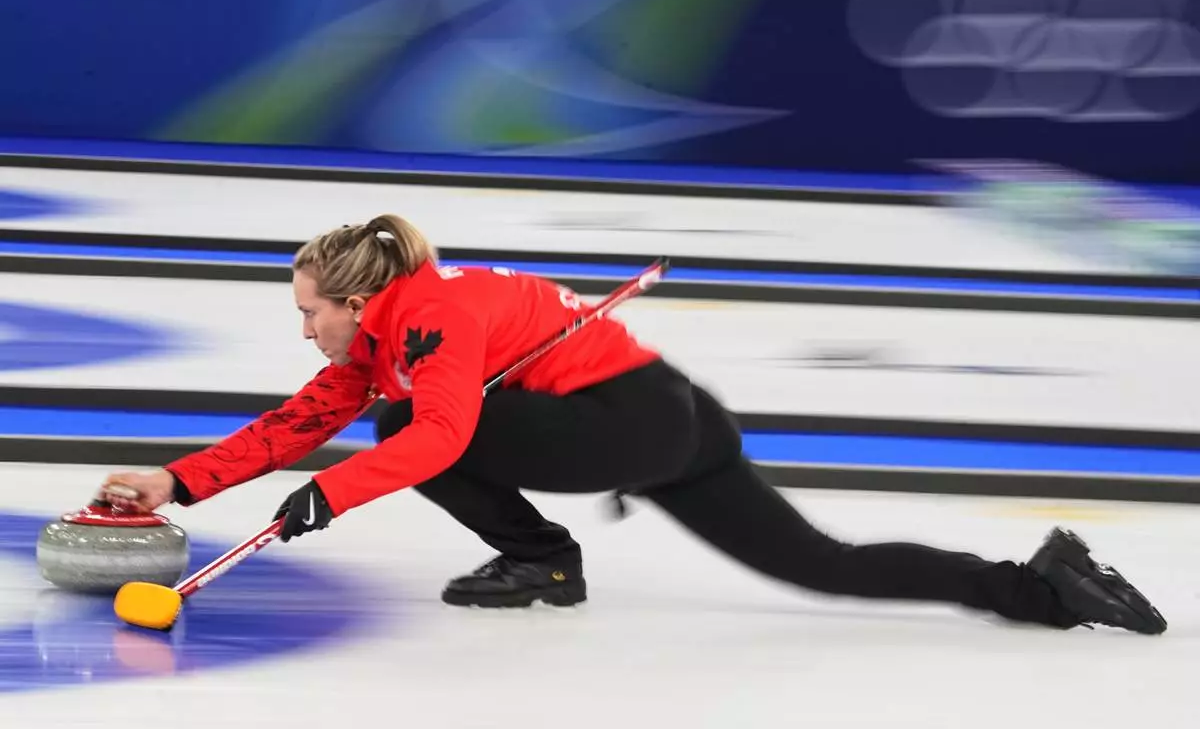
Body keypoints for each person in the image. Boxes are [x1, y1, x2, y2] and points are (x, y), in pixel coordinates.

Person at [100, 215, 1167, 634]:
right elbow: (301, 416)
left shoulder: (430, 316)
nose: (305, 332)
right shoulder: (387, 335)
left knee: (402, 436)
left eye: (309, 312)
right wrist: (178, 481)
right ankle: (1040, 585)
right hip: (672, 413)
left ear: (353, 299)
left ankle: (542, 559)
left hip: (626, 422)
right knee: (821, 564)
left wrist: (323, 498)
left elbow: (434, 437)